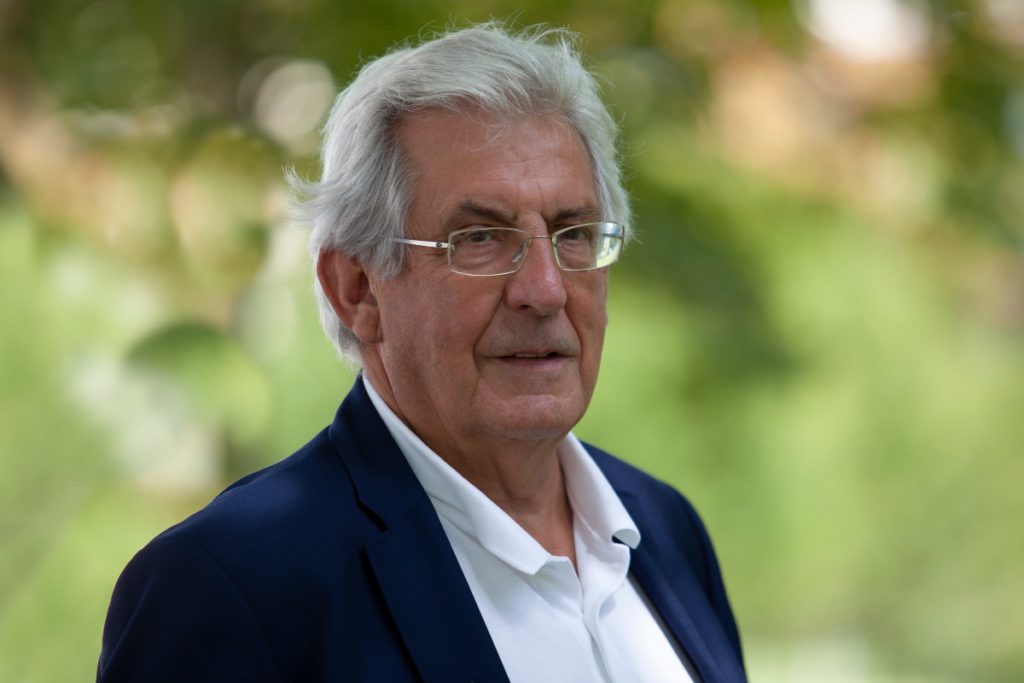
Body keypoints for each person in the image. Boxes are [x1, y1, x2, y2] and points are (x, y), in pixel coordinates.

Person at [97, 24, 746, 683]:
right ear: (357, 289)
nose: (545, 290)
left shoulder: (665, 531)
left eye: (572, 233)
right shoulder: (230, 587)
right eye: (480, 238)